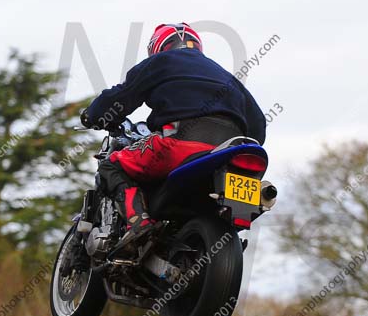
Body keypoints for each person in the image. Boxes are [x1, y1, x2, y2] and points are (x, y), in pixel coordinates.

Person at [81, 22, 266, 246]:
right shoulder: (228, 77)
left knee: (111, 164)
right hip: (231, 153)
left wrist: (93, 115)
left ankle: (138, 222)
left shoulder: (160, 62)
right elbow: (257, 124)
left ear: (158, 47)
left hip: (179, 144)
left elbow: (121, 97)